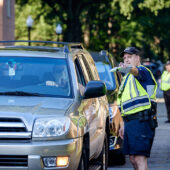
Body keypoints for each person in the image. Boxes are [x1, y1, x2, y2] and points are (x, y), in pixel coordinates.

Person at [116, 47, 158, 170]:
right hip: (130, 122)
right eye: (124, 58)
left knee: (140, 159)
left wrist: (128, 69)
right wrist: (123, 124)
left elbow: (136, 71)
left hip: (142, 121)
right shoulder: (127, 78)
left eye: (129, 57)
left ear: (137, 58)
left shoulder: (143, 71)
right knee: (133, 159)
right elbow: (123, 104)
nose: (126, 60)